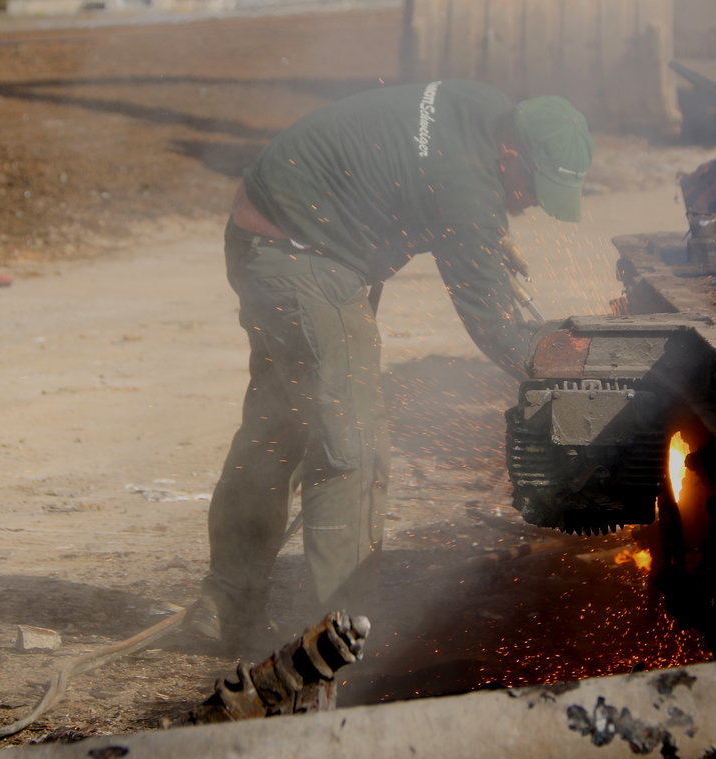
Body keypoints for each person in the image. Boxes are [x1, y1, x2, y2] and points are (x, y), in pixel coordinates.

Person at [185, 79, 593, 647]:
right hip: (305, 259)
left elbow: (434, 179)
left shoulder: (485, 110)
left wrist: (483, 231)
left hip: (268, 229)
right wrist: (561, 366)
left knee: (279, 426)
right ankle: (339, 636)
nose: (530, 203)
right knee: (351, 444)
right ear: (510, 155)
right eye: (532, 188)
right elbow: (497, 326)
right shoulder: (464, 189)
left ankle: (225, 603)